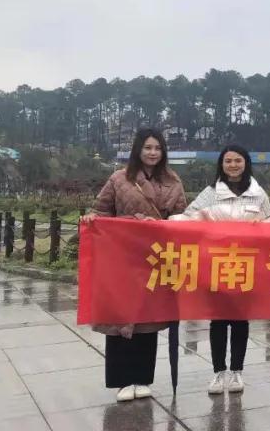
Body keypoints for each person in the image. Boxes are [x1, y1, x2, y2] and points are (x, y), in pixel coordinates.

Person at [82, 127, 187, 403]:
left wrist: (160, 225)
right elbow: (102, 211)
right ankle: (122, 380)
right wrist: (93, 219)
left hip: (155, 257)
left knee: (147, 319)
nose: (153, 153)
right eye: (148, 147)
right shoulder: (119, 179)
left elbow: (182, 219)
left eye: (158, 148)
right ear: (138, 150)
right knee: (121, 317)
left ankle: (142, 378)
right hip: (123, 257)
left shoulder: (173, 181)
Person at [171, 144, 270, 394]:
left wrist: (262, 225)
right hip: (216, 264)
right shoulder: (210, 193)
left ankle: (237, 371)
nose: (233, 165)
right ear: (221, 165)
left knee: (240, 320)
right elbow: (188, 218)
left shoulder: (258, 193)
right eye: (228, 161)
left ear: (246, 163)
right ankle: (218, 372)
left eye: (238, 160)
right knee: (218, 321)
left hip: (246, 265)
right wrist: (161, 225)